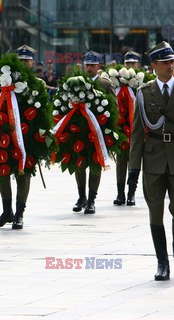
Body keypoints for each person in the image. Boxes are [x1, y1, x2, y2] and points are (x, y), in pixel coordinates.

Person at [130, 41, 174, 281]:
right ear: (154, 66)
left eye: (172, 61)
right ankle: (162, 262)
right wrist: (133, 169)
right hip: (154, 159)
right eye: (165, 62)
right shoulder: (145, 93)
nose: (170, 66)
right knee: (155, 212)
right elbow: (137, 133)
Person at [0, 44, 38, 229]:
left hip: (26, 137)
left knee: (23, 174)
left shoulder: (37, 84)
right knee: (1, 170)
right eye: (20, 61)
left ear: (32, 63)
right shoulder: (2, 82)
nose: (23, 64)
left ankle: (19, 213)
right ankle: (6, 211)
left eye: (26, 61)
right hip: (4, 134)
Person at [72, 51, 116, 214]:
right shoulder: (77, 82)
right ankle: (81, 196)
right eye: (87, 65)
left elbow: (114, 107)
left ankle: (91, 200)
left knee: (96, 165)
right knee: (79, 164)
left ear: (99, 66)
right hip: (80, 131)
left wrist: (109, 129)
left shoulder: (105, 83)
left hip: (98, 131)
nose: (89, 68)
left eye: (92, 65)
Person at [113, 50, 143, 206]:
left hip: (136, 131)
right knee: (120, 162)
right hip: (121, 129)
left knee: (134, 162)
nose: (130, 66)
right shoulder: (118, 83)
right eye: (127, 63)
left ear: (138, 64)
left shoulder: (142, 84)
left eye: (133, 63)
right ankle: (120, 194)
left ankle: (131, 193)